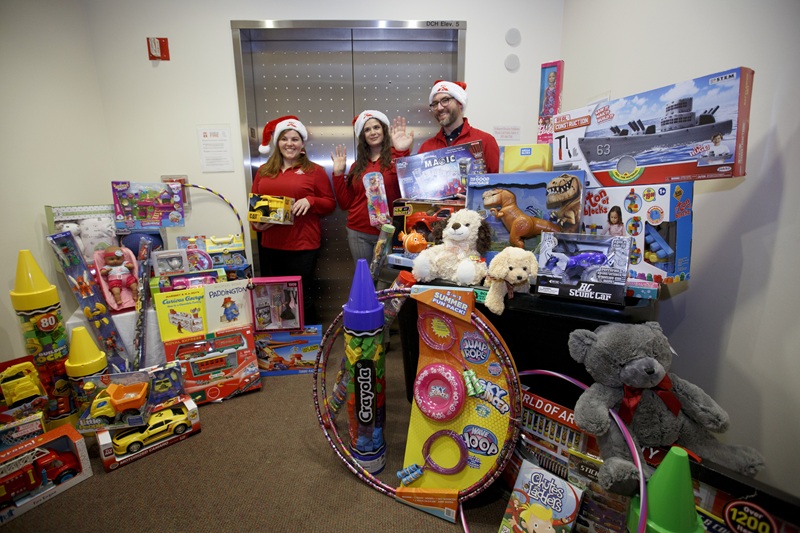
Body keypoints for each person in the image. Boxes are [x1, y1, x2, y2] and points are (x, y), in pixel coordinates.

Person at [251, 115, 336, 324]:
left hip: (303, 246)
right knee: (276, 297)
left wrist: (311, 200)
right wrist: (256, 224)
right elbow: (254, 205)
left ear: (302, 143)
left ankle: (309, 343)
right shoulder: (263, 171)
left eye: (295, 139)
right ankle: (283, 340)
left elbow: (329, 203)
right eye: (284, 138)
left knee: (301, 296)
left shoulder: (314, 171)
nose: (289, 143)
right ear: (277, 142)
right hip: (271, 245)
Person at [331, 110, 414, 263]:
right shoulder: (357, 166)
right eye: (367, 129)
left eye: (376, 127)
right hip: (358, 232)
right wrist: (337, 174)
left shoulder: (398, 158)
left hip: (390, 230)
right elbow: (345, 203)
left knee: (386, 281)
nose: (372, 132)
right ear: (362, 136)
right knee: (365, 279)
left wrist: (401, 152)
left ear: (384, 130)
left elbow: (409, 190)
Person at [418, 80, 500, 174]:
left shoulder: (485, 141)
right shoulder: (427, 148)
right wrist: (401, 151)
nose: (439, 108)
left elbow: (496, 185)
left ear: (460, 104)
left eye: (445, 100)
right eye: (435, 104)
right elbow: (409, 187)